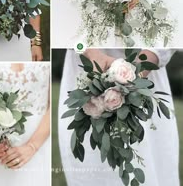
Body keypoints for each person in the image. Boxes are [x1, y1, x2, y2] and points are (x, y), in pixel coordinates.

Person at [58, 48, 179, 186]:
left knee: (150, 163)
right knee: (92, 169)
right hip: (87, 71)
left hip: (146, 76)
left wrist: (138, 71)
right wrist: (90, 52)